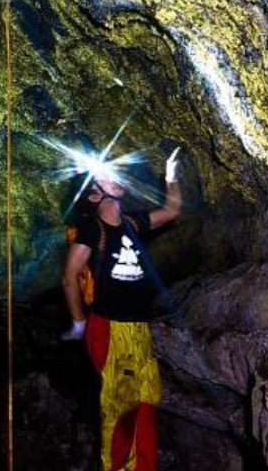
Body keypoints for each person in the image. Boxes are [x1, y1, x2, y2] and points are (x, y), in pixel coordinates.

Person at [61, 148, 182, 471]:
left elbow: (171, 211)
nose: (116, 178)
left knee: (146, 403)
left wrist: (170, 177)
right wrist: (78, 322)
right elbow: (70, 276)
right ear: (93, 195)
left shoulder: (133, 222)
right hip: (110, 328)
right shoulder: (92, 231)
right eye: (105, 176)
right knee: (120, 409)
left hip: (139, 329)